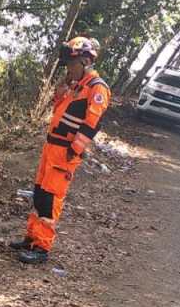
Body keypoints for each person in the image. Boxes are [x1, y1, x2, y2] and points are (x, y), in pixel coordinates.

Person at [12, 36, 111, 264]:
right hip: (51, 147)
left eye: (72, 65)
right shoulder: (76, 86)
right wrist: (62, 89)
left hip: (65, 152)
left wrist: (75, 149)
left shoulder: (96, 88)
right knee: (39, 194)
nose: (69, 68)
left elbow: (92, 123)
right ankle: (31, 238)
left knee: (50, 199)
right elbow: (59, 110)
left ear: (86, 61)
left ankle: (42, 247)